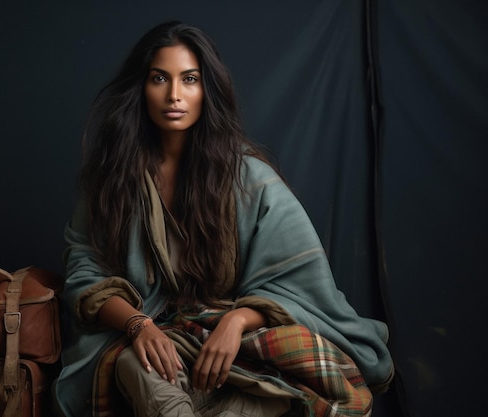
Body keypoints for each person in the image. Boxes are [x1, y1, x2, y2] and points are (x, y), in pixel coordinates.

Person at [53, 20, 394, 417]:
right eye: (160, 78)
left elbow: (302, 287)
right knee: (135, 365)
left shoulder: (250, 180)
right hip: (154, 339)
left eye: (190, 79)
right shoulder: (112, 179)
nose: (174, 95)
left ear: (207, 90)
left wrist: (236, 321)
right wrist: (138, 326)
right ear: (141, 89)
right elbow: (83, 273)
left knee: (267, 391)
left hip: (234, 340)